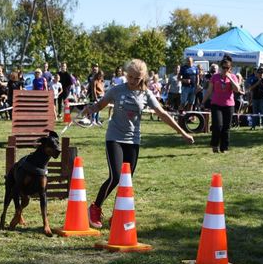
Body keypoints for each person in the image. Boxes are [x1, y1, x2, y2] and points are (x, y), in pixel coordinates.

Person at [82, 59, 194, 228]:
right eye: (131, 77)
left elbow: (162, 114)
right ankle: (95, 208)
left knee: (127, 180)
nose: (134, 81)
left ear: (143, 77)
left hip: (133, 140)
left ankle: (118, 215)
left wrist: (183, 132)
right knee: (116, 176)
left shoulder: (146, 94)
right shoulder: (117, 90)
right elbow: (100, 105)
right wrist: (90, 109)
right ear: (126, 74)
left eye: (138, 78)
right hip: (115, 138)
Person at [201, 55, 240, 153]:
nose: (225, 69)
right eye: (224, 67)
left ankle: (224, 147)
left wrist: (230, 78)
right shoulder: (215, 77)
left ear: (230, 68)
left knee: (226, 127)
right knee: (217, 126)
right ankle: (214, 144)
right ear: (220, 67)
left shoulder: (234, 77)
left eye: (228, 68)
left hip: (229, 105)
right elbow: (209, 91)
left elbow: (237, 89)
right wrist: (203, 102)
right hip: (216, 104)